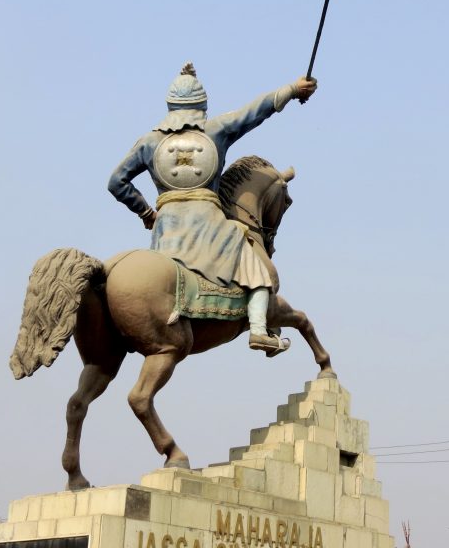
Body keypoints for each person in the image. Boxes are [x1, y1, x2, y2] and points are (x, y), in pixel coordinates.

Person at [108, 62, 317, 355]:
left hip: (167, 235)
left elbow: (117, 182)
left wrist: (146, 213)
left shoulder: (149, 142)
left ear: (170, 105)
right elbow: (255, 112)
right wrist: (293, 89)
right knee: (257, 269)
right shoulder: (215, 131)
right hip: (211, 227)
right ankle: (258, 330)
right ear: (202, 105)